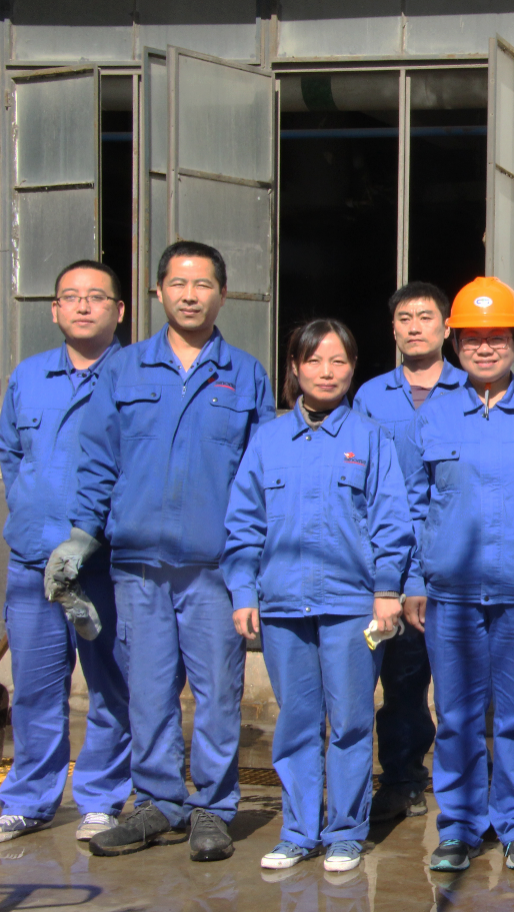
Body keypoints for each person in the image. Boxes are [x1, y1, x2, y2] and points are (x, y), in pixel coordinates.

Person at [49, 241, 275, 861]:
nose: (190, 295)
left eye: (203, 285)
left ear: (222, 294)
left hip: (213, 568)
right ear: (158, 292)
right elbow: (97, 459)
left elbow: (260, 478)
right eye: (178, 283)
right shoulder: (123, 371)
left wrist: (253, 565)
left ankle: (213, 808)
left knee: (218, 695)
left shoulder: (246, 374)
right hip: (138, 566)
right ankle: (156, 803)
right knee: (148, 692)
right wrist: (82, 534)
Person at [223, 319, 412, 873]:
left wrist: (387, 589)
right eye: (314, 360)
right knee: (297, 721)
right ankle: (299, 831)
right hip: (283, 605)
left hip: (351, 606)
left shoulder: (370, 439)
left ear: (353, 368)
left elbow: (392, 520)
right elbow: (244, 523)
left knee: (350, 721)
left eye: (338, 361)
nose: (326, 372)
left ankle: (346, 831)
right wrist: (243, 591)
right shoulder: (268, 439)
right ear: (295, 367)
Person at [398, 277, 514, 874]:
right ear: (455, 343)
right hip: (452, 595)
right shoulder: (434, 416)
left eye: (498, 337)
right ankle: (461, 825)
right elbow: (412, 505)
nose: (486, 348)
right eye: (473, 337)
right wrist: (412, 581)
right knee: (458, 717)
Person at [0, 261, 131, 844]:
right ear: (53, 309)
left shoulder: (134, 377)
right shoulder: (28, 376)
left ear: (119, 310)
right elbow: (10, 454)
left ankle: (102, 797)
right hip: (34, 562)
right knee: (34, 689)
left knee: (110, 686)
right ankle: (29, 798)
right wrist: (31, 509)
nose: (82, 306)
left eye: (95, 297)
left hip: (105, 565)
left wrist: (95, 533)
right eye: (70, 297)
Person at [352, 281, 465, 822]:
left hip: (457, 555)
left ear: (446, 327)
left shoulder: (472, 389)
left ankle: (469, 783)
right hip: (392, 560)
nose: (415, 327)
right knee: (400, 679)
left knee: (464, 681)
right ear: (393, 329)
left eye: (425, 316)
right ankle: (402, 778)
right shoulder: (370, 397)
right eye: (404, 318)